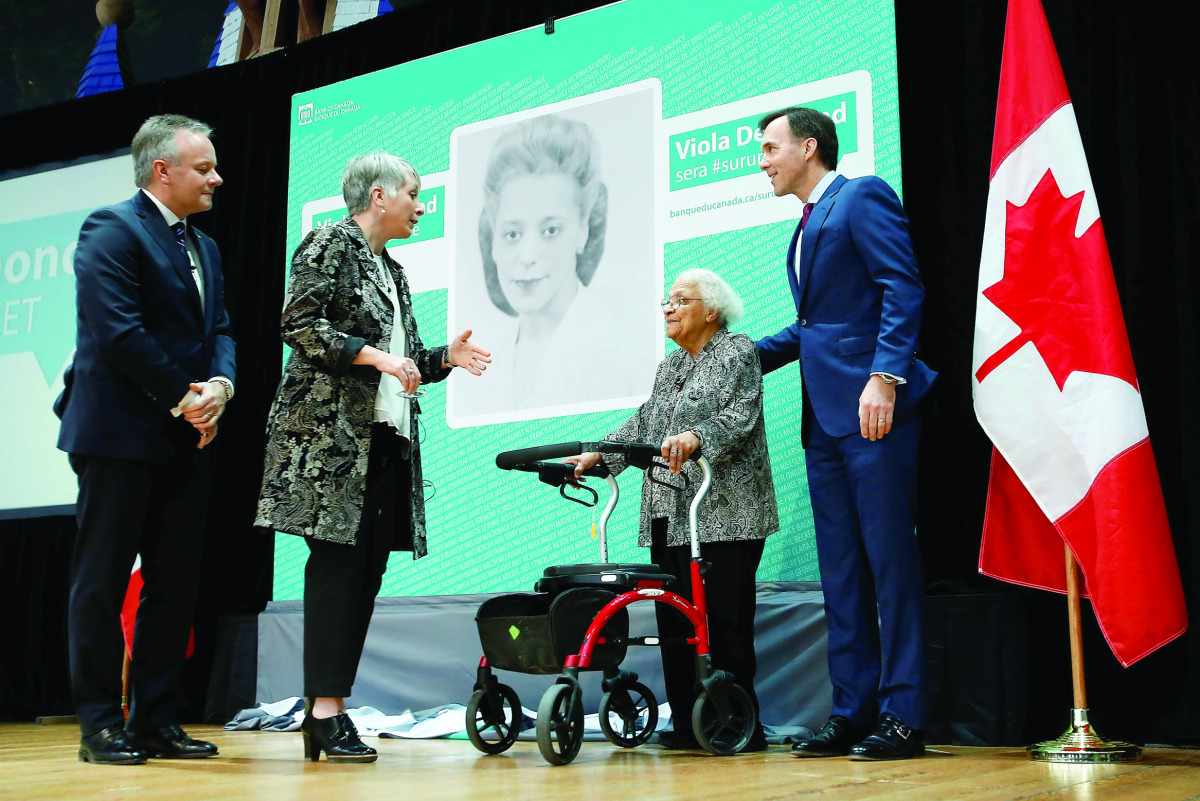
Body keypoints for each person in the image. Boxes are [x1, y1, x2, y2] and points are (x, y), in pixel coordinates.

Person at [255, 153, 490, 763]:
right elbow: (299, 324)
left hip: (384, 442)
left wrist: (442, 358)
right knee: (338, 574)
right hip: (332, 447)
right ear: (379, 196)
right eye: (415, 193)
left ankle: (328, 712)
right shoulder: (328, 242)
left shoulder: (394, 270)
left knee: (364, 578)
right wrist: (377, 357)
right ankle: (325, 717)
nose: (421, 205)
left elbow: (403, 360)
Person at [755, 107, 937, 761]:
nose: (763, 161)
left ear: (809, 148)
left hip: (872, 413)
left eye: (771, 148)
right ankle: (851, 710)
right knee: (842, 575)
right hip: (825, 423)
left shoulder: (860, 196)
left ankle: (905, 713)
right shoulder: (802, 228)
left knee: (890, 565)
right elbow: (813, 329)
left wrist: (886, 375)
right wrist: (735, 352)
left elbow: (902, 285)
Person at [55, 114, 235, 764]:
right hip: (117, 436)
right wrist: (187, 398)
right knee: (102, 583)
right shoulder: (111, 228)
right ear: (163, 170)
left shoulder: (205, 247)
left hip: (186, 438)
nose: (218, 177)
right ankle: (101, 724)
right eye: (205, 167)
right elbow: (117, 331)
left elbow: (221, 330)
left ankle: (155, 720)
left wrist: (221, 385)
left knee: (174, 585)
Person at [566, 269, 777, 752]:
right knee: (676, 626)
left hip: (725, 514)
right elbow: (645, 420)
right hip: (669, 513)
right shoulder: (670, 367)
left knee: (722, 624)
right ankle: (688, 724)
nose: (668, 308)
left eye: (680, 300)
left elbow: (737, 415)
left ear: (711, 311)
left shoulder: (737, 351)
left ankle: (734, 723)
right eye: (667, 300)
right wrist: (600, 452)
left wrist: (696, 437)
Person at [468, 113, 635, 412]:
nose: (528, 255)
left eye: (550, 230)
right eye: (512, 233)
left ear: (583, 229)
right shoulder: (485, 364)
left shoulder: (621, 355)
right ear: (492, 238)